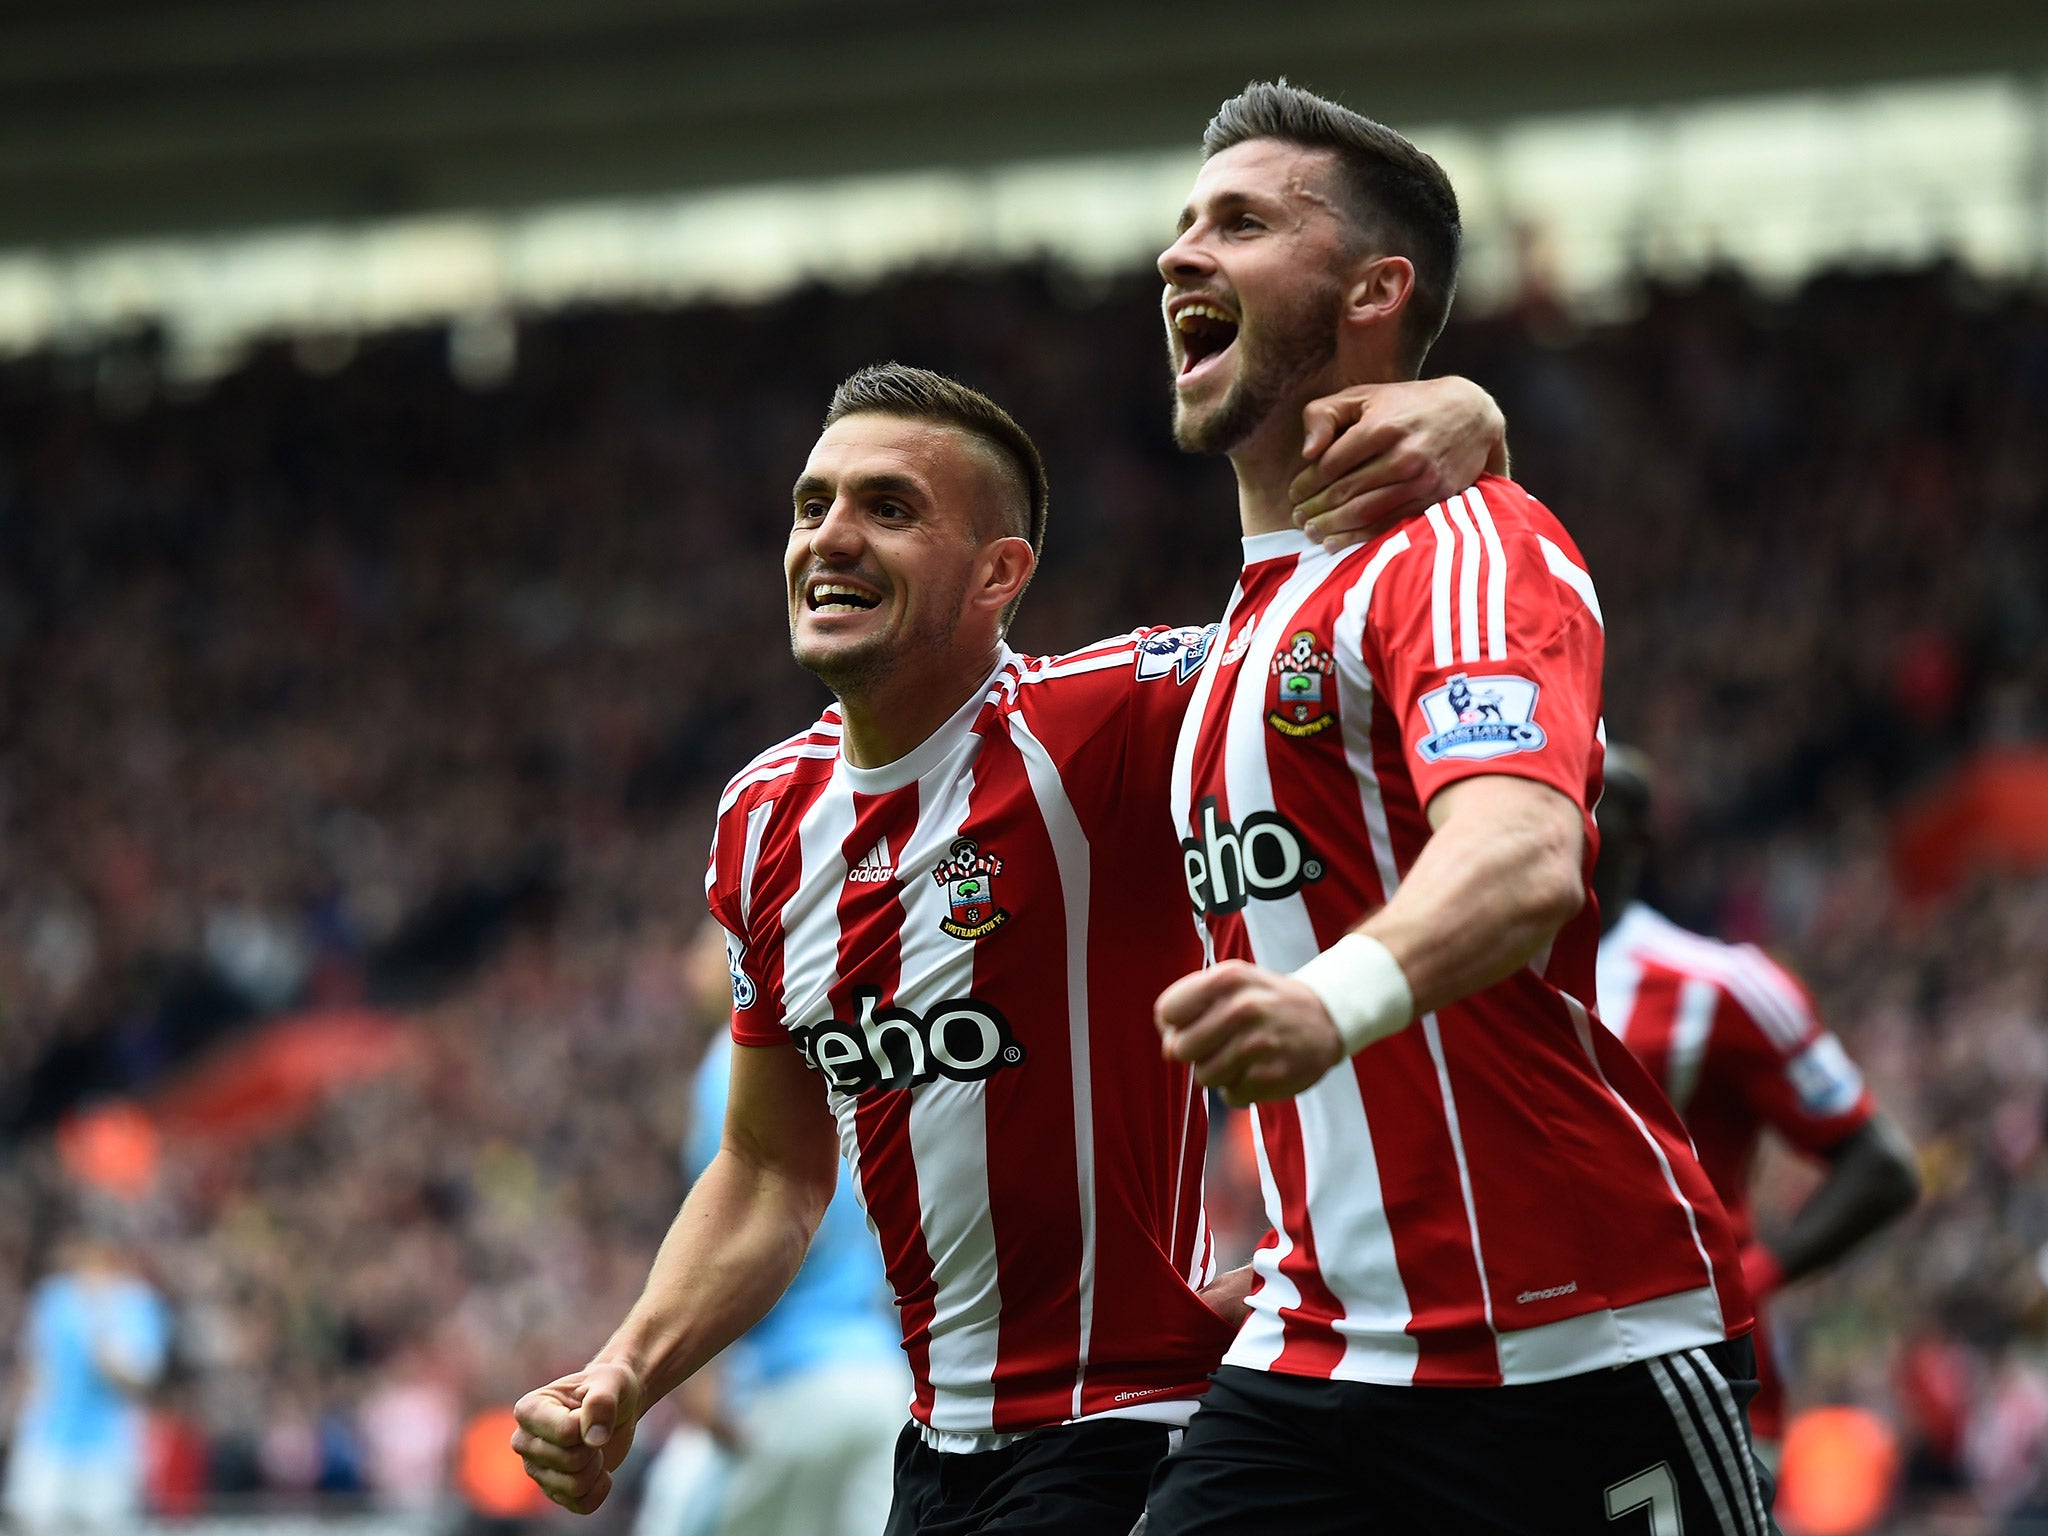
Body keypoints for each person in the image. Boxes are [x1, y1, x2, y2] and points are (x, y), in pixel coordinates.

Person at [511, 360, 1508, 1534]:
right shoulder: (761, 818)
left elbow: (1354, 635)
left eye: (887, 509)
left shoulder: (1106, 721)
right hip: (931, 1452)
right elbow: (772, 1169)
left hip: (1125, 1432)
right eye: (811, 504)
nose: (829, 537)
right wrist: (626, 1369)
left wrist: (1471, 447)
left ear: (998, 573)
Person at [1146, 80, 1773, 1534]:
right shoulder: (1225, 641)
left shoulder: (1468, 544)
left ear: (1376, 291)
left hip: (1568, 1342)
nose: (1180, 255)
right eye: (1182, 223)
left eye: (1240, 222)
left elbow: (1524, 852)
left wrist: (1325, 1004)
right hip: (1315, 1354)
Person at [1593, 744, 1920, 1463]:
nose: (1575, 806)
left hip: (1702, 1372)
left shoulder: (1721, 985)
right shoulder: (1484, 981)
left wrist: (1748, 1279)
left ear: (1642, 833)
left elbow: (1883, 1166)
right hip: (1538, 1378)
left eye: (1598, 793)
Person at [634, 922, 909, 1536]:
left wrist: (696, 1367)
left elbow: (741, 1225)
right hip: (880, 1382)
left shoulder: (733, 1070)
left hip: (787, 1388)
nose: (689, 964)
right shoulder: (830, 1051)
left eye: (706, 945)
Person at [2, 1228, 173, 1534]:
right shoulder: (53, 1298)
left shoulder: (137, 1304)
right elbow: (34, 1366)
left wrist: (105, 1343)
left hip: (108, 1448)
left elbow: (141, 1378)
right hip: (49, 1440)